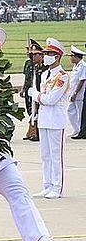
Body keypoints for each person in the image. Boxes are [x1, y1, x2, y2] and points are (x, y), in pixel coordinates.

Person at [28, 38, 69, 199]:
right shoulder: (45, 74)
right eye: (45, 54)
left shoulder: (62, 77)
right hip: (44, 118)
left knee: (55, 156)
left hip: (55, 119)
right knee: (45, 155)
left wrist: (36, 94)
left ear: (57, 56)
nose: (45, 56)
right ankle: (47, 184)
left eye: (49, 54)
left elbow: (51, 99)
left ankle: (56, 187)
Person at [67, 46, 85, 136]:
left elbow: (81, 80)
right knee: (70, 110)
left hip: (79, 94)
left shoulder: (83, 66)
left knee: (80, 113)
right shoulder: (76, 66)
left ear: (76, 56)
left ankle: (80, 131)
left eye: (72, 56)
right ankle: (76, 129)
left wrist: (75, 93)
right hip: (73, 92)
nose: (70, 58)